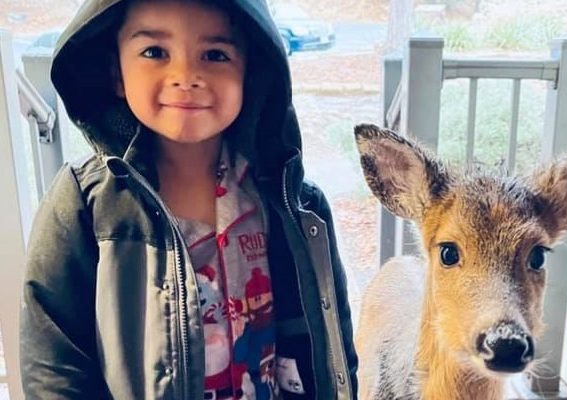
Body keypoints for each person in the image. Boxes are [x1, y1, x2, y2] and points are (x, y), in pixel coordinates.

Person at [19, 0, 357, 399]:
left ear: (252, 71)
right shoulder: (84, 205)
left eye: (215, 54)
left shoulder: (295, 206)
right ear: (116, 72)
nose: (186, 76)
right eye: (154, 52)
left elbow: (333, 346)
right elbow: (53, 362)